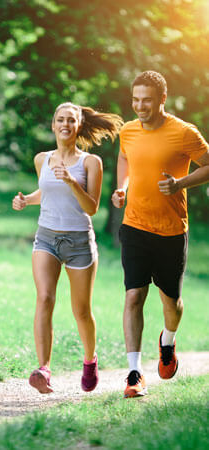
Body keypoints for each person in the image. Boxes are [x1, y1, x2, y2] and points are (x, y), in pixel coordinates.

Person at [13, 102, 123, 393]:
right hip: (46, 237)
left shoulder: (91, 163)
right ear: (53, 125)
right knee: (45, 298)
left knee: (81, 311)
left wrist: (73, 181)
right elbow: (47, 192)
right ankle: (44, 369)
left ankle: (89, 361)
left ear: (78, 126)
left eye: (71, 120)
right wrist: (27, 200)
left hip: (78, 242)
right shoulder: (42, 159)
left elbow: (92, 207)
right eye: (60, 119)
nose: (65, 124)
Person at [111, 70, 209, 398]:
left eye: (147, 101)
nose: (140, 106)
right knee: (134, 295)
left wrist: (180, 184)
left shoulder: (184, 133)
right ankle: (134, 373)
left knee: (172, 302)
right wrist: (121, 188)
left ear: (162, 100)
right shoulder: (128, 131)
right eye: (136, 100)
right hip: (135, 225)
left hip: (170, 230)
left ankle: (167, 341)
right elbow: (124, 157)